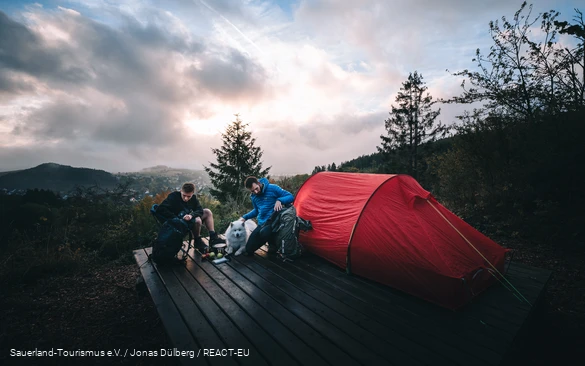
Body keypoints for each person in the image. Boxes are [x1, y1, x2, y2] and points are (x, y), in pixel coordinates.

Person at [154, 182, 225, 252]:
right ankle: (197, 241)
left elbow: (199, 210)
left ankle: (213, 238)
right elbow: (161, 209)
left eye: (189, 196)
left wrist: (191, 215)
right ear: (181, 191)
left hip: (188, 219)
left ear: (192, 193)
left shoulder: (193, 198)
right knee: (197, 220)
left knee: (207, 212)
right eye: (184, 195)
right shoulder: (173, 196)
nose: (186, 198)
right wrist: (177, 218)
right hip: (178, 223)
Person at [240, 176, 294, 255]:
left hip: (273, 220)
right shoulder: (254, 197)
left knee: (264, 233)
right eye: (252, 191)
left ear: (259, 183)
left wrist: (280, 200)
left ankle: (273, 244)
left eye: (256, 188)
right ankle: (266, 240)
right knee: (248, 249)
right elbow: (256, 211)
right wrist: (245, 217)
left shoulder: (273, 188)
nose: (255, 192)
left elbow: (290, 196)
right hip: (261, 223)